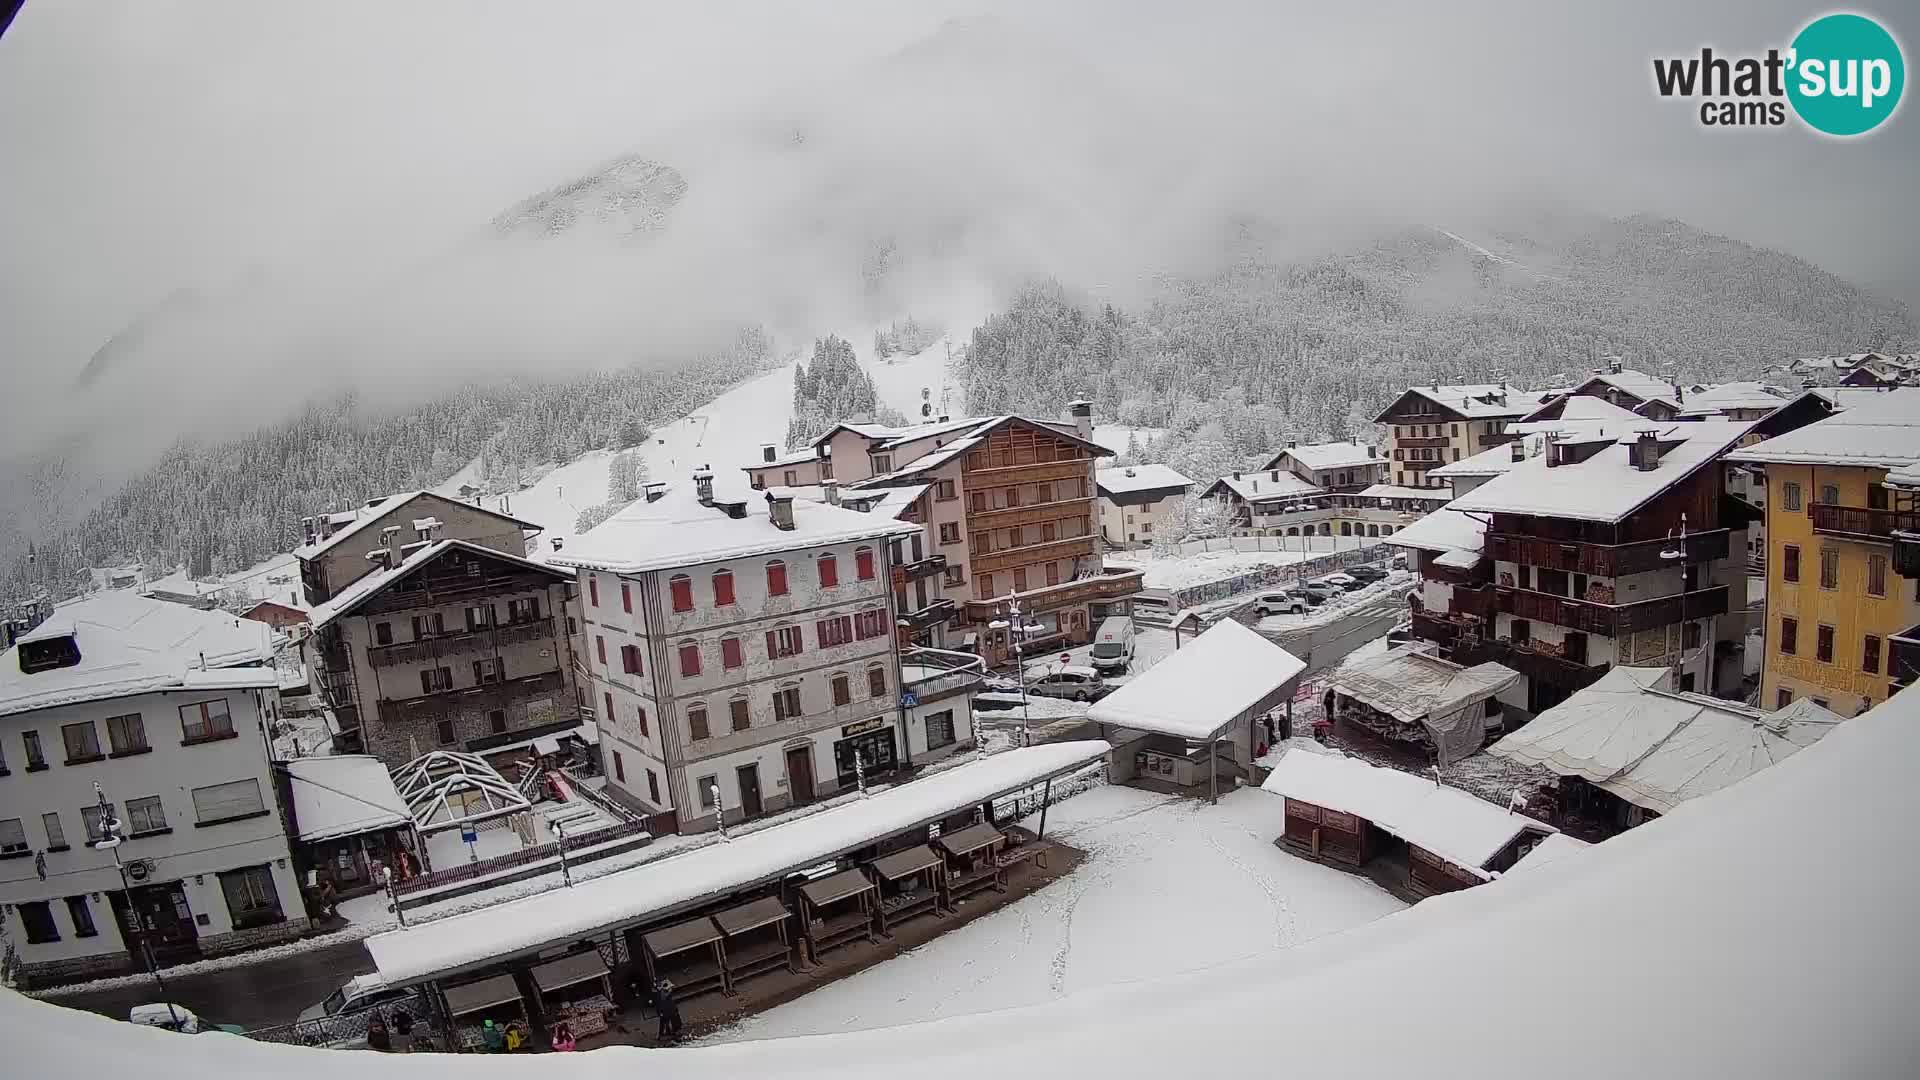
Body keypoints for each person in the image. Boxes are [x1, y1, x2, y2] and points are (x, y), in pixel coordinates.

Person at [653, 978, 684, 1043]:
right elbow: (659, 1005)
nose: (671, 990)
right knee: (666, 1022)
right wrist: (660, 1012)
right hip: (667, 1012)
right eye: (670, 989)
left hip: (669, 1011)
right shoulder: (662, 995)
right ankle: (669, 1033)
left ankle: (670, 1033)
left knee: (668, 1022)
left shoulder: (664, 995)